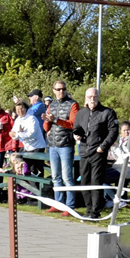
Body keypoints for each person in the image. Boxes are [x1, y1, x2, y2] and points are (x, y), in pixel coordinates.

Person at [71, 88, 118, 219]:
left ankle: (95, 212)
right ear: (85, 98)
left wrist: (103, 147)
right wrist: (76, 135)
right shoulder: (81, 113)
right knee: (85, 182)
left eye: (94, 96)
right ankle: (88, 209)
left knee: (96, 182)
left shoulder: (107, 112)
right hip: (84, 151)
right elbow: (76, 128)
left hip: (98, 152)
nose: (92, 99)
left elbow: (113, 132)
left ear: (98, 97)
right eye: (89, 97)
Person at [43, 81, 79, 213]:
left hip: (66, 145)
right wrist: (47, 121)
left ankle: (69, 206)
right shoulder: (51, 105)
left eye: (63, 89)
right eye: (58, 89)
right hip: (53, 145)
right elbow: (46, 127)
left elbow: (74, 124)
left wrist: (56, 120)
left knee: (67, 177)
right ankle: (58, 204)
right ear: (53, 91)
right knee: (56, 177)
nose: (61, 92)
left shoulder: (72, 104)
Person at [10, 100, 47, 176]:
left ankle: (38, 186)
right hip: (27, 147)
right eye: (18, 110)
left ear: (26, 109)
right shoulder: (17, 120)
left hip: (38, 146)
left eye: (22, 109)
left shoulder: (32, 119)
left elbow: (31, 134)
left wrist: (18, 134)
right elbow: (14, 134)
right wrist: (13, 134)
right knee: (27, 168)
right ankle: (29, 186)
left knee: (36, 169)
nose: (20, 111)